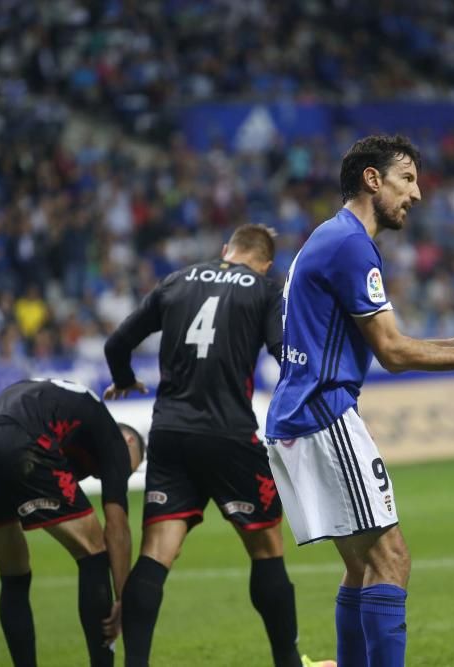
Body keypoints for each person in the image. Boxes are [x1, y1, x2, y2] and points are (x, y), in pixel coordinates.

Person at [264, 134, 454, 667]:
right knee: (392, 559)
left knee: (364, 566)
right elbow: (392, 352)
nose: (417, 194)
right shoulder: (350, 244)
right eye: (407, 179)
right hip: (323, 414)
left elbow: (388, 339)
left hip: (297, 416)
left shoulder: (330, 238)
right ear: (373, 179)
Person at [102, 224, 334, 667]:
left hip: (170, 434)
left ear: (227, 250)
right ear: (264, 263)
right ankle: (287, 662)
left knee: (156, 554)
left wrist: (125, 380)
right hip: (231, 436)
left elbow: (118, 343)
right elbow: (283, 352)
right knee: (266, 550)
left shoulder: (176, 280)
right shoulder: (266, 290)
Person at [0, 378, 146, 667]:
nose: (113, 477)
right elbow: (117, 529)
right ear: (128, 441)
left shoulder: (69, 419)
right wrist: (123, 598)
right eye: (125, 471)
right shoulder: (115, 441)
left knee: (14, 573)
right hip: (22, 439)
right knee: (94, 553)